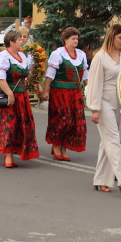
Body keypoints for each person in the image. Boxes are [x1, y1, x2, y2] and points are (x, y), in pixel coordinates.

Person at [86, 24, 121, 194]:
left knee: (106, 143)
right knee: (114, 142)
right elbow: (94, 83)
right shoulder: (100, 57)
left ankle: (100, 180)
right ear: (112, 37)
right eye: (120, 38)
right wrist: (95, 108)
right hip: (103, 103)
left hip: (118, 104)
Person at [0, 28, 39, 167]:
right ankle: (8, 156)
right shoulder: (3, 57)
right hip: (6, 94)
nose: (22, 41)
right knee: (9, 125)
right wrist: (10, 94)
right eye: (19, 40)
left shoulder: (22, 56)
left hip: (21, 96)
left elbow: (26, 76)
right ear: (11, 42)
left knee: (20, 124)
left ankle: (17, 150)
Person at [42, 26, 88, 161]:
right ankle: (56, 145)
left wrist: (89, 88)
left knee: (74, 121)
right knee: (62, 119)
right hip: (60, 92)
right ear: (65, 40)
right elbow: (50, 74)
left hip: (75, 92)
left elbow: (85, 73)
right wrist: (45, 91)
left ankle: (64, 147)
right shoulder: (58, 53)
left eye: (77, 39)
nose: (76, 41)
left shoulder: (81, 54)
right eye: (73, 39)